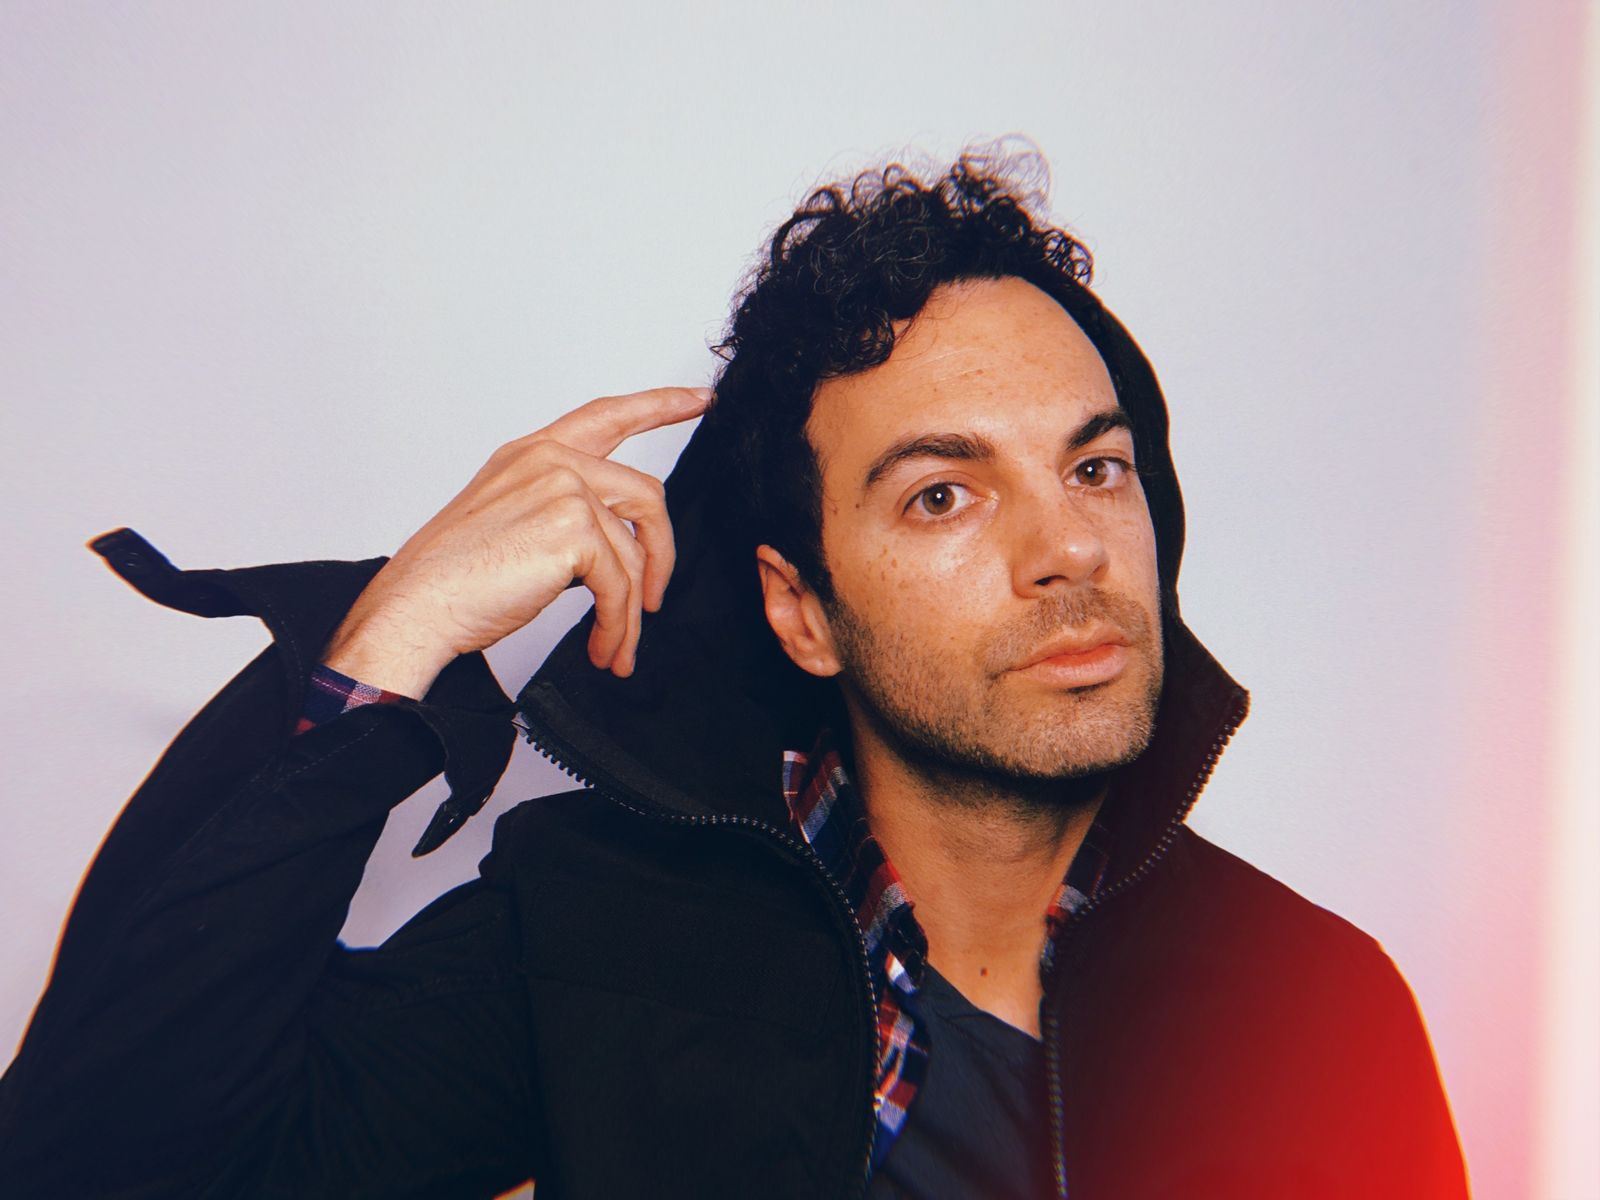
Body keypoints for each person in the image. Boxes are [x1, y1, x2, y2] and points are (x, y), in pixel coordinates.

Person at [0, 150, 1469, 1199]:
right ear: (801, 610)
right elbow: (102, 1168)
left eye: (1096, 467)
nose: (1066, 548)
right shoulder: (597, 934)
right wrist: (385, 650)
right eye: (943, 495)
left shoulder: (1315, 1006)